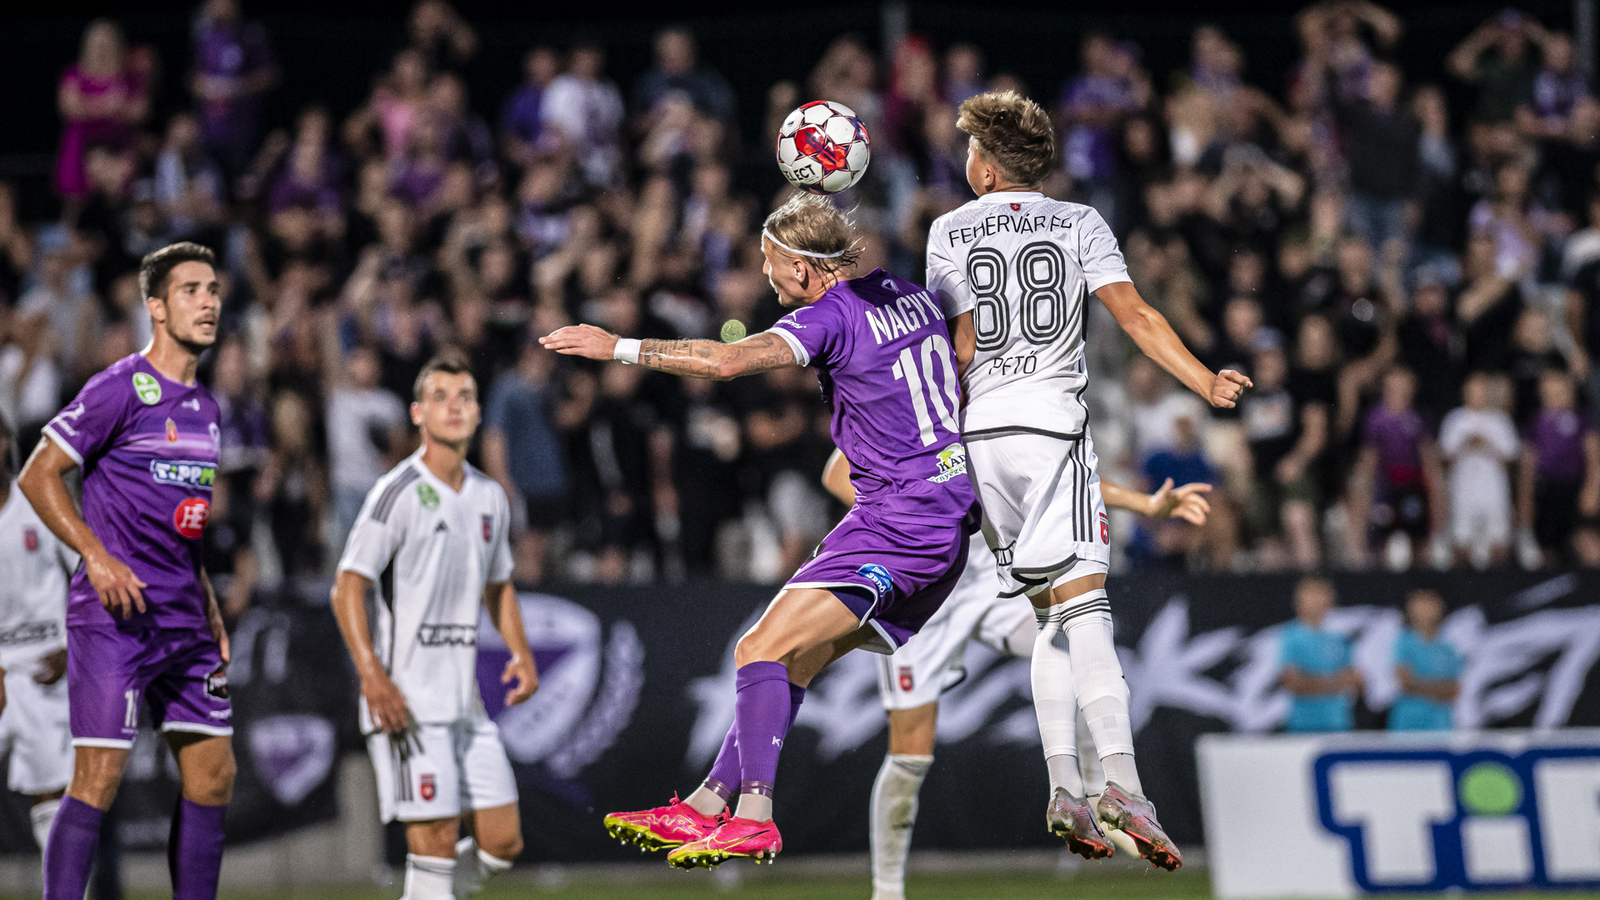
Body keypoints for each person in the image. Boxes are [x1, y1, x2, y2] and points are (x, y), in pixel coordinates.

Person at [544, 193, 979, 868]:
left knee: (756, 649)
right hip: (939, 513)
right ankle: (706, 804)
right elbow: (962, 350)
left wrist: (618, 347)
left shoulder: (830, 313)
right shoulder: (908, 293)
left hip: (902, 519)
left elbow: (724, 361)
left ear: (804, 267)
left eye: (770, 261)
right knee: (792, 660)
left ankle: (753, 817)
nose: (765, 275)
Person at [922, 90, 1250, 870]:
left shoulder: (947, 229)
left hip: (984, 438)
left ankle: (1066, 784)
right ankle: (1124, 786)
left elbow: (959, 347)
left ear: (987, 166)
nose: (965, 162)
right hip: (1050, 428)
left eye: (970, 150)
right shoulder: (1079, 222)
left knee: (1048, 619)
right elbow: (1135, 316)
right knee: (1087, 609)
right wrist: (1202, 380)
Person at [821, 449, 1211, 900]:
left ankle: (1097, 793)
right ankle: (887, 892)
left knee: (1072, 644)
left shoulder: (992, 409)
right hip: (922, 581)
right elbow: (836, 473)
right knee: (911, 755)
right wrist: (915, 515)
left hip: (987, 578)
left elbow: (1061, 475)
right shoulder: (910, 407)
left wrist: (1143, 504)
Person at [18, 242, 233, 900]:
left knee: (214, 776)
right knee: (99, 777)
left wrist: (209, 603)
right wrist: (96, 555)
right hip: (115, 618)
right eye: (191, 290)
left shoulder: (208, 410)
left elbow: (185, 525)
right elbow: (38, 475)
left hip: (185, 619)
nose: (208, 302)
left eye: (213, 289)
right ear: (156, 308)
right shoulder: (120, 386)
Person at [330, 350, 537, 900]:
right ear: (417, 414)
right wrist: (372, 676)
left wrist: (520, 651)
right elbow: (347, 587)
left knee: (503, 844)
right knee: (437, 842)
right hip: (407, 701)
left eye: (465, 396)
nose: (455, 407)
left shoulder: (490, 497)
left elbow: (498, 585)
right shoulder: (396, 491)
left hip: (465, 703)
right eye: (440, 397)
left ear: (478, 412)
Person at [0, 411, 78, 869]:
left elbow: (89, 571)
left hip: (43, 666)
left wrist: (73, 647)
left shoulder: (40, 502)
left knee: (52, 793)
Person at [1438, 372, 1518, 566]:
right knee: (1461, 544)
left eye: (1482, 390)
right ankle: (1463, 583)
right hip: (1463, 492)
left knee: (1498, 544)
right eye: (1474, 390)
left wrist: (1487, 445)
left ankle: (1497, 582)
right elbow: (1444, 455)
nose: (1478, 395)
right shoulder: (1455, 419)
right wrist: (1466, 443)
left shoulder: (1500, 421)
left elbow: (1511, 456)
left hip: (1494, 493)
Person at [1277, 577, 1360, 733]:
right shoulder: (1290, 637)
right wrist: (1335, 683)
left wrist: (1313, 682)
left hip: (1338, 723)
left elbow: (1355, 679)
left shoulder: (1340, 637)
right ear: (1299, 601)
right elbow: (1293, 683)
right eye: (1311, 596)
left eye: (1321, 595)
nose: (1316, 601)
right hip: (1303, 725)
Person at [1389, 588, 1461, 731]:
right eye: (1420, 602)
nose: (1425, 608)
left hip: (1440, 725)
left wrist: (1419, 686)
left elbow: (1454, 691)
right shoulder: (1403, 642)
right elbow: (1405, 683)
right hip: (1409, 725)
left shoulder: (1448, 649)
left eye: (1429, 602)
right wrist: (1440, 690)